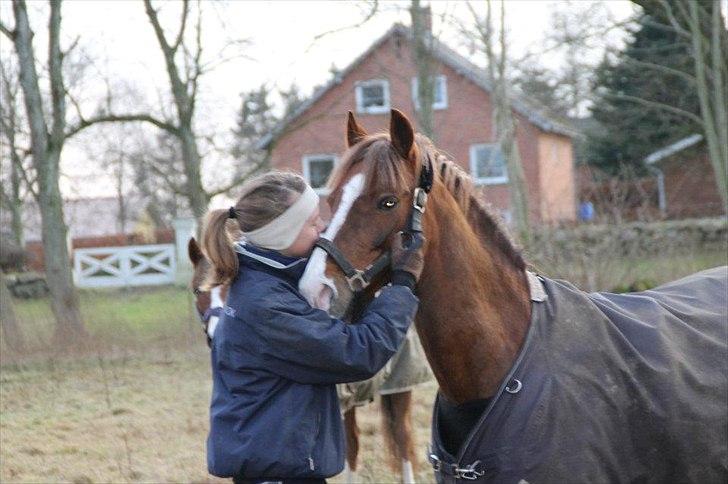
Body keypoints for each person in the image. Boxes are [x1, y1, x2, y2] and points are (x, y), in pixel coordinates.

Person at [201, 171, 425, 484]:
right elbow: (357, 352)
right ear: (282, 235)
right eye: (312, 222)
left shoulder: (267, 284)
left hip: (278, 467)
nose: (322, 230)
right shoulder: (266, 305)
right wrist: (402, 284)